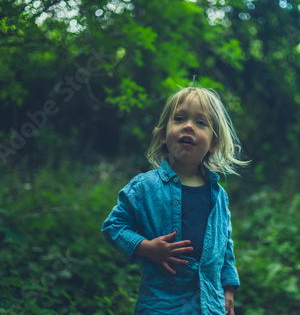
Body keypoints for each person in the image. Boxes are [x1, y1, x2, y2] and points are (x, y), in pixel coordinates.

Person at [102, 87, 249, 314]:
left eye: (201, 123)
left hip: (210, 305)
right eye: (179, 119)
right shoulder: (144, 186)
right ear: (163, 134)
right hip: (161, 304)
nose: (188, 126)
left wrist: (228, 289)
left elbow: (225, 247)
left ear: (214, 143)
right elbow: (113, 227)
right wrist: (148, 248)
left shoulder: (218, 195)